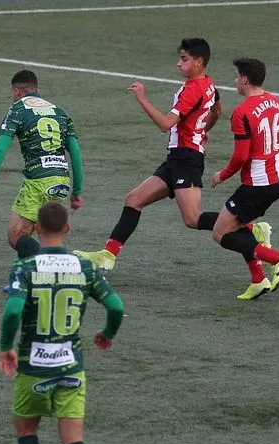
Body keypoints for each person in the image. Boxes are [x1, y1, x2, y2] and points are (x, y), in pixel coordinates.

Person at [74, 38, 220, 271]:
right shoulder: (209, 84)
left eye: (184, 59)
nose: (178, 64)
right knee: (134, 200)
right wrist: (202, 130)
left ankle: (252, 230)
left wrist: (142, 98)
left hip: (186, 159)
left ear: (199, 62)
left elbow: (165, 124)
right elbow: (216, 110)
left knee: (192, 219)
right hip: (177, 158)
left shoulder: (192, 90)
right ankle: (108, 255)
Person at [0, 202, 124, 444]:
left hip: (34, 367)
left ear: (36, 228)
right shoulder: (85, 268)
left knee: (26, 432)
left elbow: (12, 312)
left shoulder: (26, 268)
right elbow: (116, 307)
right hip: (71, 368)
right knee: (73, 442)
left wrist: (5, 347)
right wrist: (107, 334)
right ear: (67, 227)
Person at [203, 58, 279, 300]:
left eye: (236, 76)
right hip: (278, 180)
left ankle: (277, 258)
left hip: (258, 185)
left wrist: (221, 175)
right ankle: (258, 280)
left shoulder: (242, 112)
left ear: (245, 79)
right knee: (237, 226)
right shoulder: (277, 101)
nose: (235, 80)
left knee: (221, 234)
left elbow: (241, 156)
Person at [0, 70, 83, 250]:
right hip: (61, 181)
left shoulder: (17, 110)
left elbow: (0, 148)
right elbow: (76, 153)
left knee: (16, 236)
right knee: (46, 235)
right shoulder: (60, 112)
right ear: (37, 89)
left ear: (16, 91)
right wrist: (76, 192)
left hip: (37, 182)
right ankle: (44, 272)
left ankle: (60, 261)